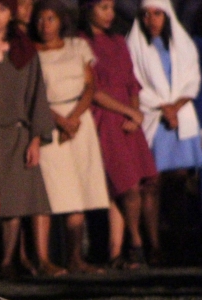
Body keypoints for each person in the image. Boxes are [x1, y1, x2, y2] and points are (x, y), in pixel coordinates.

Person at [0, 0, 61, 278]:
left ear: (11, 13)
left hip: (17, 133)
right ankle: (3, 260)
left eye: (1, 8)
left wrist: (36, 138)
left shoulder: (23, 49)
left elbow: (37, 94)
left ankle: (34, 260)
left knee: (26, 198)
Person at [34, 0, 110, 273]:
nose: (45, 25)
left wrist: (74, 118)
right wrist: (60, 121)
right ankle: (44, 258)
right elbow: (35, 94)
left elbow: (90, 85)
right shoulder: (33, 53)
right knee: (51, 189)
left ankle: (75, 257)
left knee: (79, 187)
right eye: (41, 19)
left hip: (79, 119)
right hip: (50, 118)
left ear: (61, 21)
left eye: (50, 19)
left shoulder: (77, 46)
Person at [80, 0, 157, 269]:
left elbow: (132, 83)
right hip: (106, 118)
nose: (109, 14)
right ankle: (136, 243)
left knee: (126, 187)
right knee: (127, 184)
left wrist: (134, 114)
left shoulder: (119, 42)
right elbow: (94, 90)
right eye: (102, 7)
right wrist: (128, 111)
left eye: (111, 8)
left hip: (128, 120)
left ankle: (116, 251)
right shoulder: (81, 42)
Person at [127, 0, 202, 266]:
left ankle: (180, 246)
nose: (152, 20)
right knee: (152, 184)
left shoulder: (181, 45)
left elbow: (192, 78)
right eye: (146, 15)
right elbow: (134, 82)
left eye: (158, 14)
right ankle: (155, 247)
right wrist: (163, 107)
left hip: (178, 120)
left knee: (179, 185)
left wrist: (176, 106)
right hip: (154, 119)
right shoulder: (135, 45)